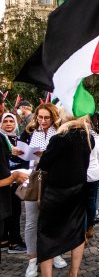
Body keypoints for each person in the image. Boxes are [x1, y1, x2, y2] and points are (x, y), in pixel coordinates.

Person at [36, 115, 95, 277]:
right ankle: (73, 273)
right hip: (77, 192)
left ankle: (46, 275)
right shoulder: (89, 137)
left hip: (56, 194)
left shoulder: (59, 139)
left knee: (46, 235)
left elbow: (43, 164)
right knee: (77, 233)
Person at [13, 103, 66, 277]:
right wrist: (18, 152)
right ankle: (32, 259)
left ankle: (55, 253)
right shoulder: (29, 131)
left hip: (53, 180)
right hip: (33, 179)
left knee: (53, 219)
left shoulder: (60, 132)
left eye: (46, 118)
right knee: (31, 222)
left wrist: (46, 155)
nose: (42, 121)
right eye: (40, 117)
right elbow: (21, 155)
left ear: (53, 117)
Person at [1, 113, 28, 254]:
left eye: (11, 121)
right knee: (7, 211)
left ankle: (11, 239)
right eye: (5, 121)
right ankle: (10, 241)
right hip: (6, 180)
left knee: (14, 211)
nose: (8, 123)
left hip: (17, 180)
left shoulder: (19, 140)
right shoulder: (2, 139)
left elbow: (26, 158)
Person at [85, 129, 99, 241]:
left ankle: (87, 229)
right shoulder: (95, 135)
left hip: (87, 172)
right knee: (91, 202)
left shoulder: (88, 135)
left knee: (84, 204)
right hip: (94, 171)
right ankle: (89, 227)